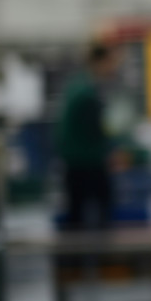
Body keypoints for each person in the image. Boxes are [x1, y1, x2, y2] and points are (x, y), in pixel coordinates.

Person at [56, 42, 120, 229]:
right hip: (86, 164)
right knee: (99, 210)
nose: (112, 67)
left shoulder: (78, 85)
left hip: (77, 162)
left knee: (77, 214)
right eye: (110, 62)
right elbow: (98, 130)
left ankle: (81, 256)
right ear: (98, 62)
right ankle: (98, 256)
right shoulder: (86, 94)